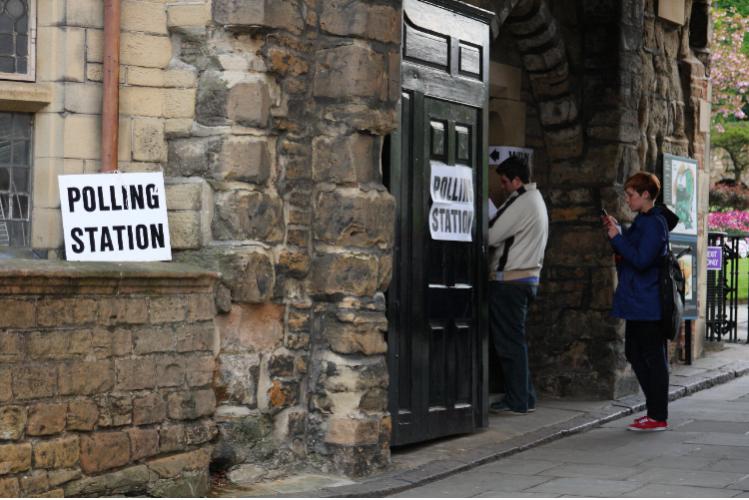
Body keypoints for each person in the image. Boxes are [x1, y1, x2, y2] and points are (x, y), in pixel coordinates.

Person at [601, 172, 678, 432]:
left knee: (653, 358)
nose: (627, 199)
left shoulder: (654, 223)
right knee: (635, 352)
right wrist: (618, 232)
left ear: (646, 195)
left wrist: (617, 238)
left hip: (648, 302)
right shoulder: (644, 221)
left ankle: (658, 414)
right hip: (639, 300)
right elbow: (632, 251)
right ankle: (654, 410)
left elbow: (642, 259)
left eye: (631, 194)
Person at [488, 156, 549, 415]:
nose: (502, 187)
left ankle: (517, 400)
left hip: (510, 281)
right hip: (524, 280)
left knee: (510, 344)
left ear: (516, 180)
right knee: (515, 340)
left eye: (504, 181)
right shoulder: (535, 200)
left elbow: (490, 234)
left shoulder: (522, 200)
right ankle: (525, 396)